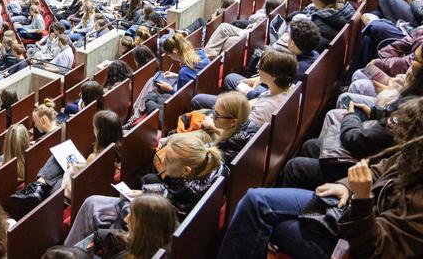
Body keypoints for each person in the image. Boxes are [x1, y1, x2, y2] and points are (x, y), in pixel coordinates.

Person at [217, 97, 423, 259]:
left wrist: (362, 198)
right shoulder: (414, 153)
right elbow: (379, 169)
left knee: (266, 219)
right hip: (351, 208)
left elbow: (376, 250)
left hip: (354, 238)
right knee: (256, 199)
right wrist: (347, 186)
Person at [64, 132, 225, 245]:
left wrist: (132, 201)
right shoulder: (202, 171)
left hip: (149, 231)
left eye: (168, 160)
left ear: (186, 171)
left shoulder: (185, 196)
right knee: (92, 202)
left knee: (93, 206)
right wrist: (144, 193)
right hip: (154, 217)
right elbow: (171, 194)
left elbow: (138, 219)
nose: (162, 160)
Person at [83, 195, 177, 259]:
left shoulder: (127, 256)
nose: (126, 219)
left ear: (143, 229)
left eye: (131, 216)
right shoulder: (166, 239)